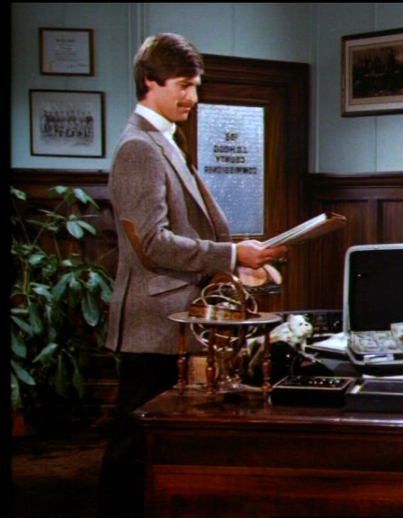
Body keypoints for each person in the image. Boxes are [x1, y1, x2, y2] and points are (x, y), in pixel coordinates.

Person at [97, 33, 286, 518]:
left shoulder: (164, 140)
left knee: (153, 444)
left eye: (195, 86)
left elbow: (181, 232)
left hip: (173, 317)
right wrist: (230, 254)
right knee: (133, 444)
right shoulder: (139, 147)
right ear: (149, 82)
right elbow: (152, 244)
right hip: (155, 320)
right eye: (184, 85)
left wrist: (237, 259)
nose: (193, 98)